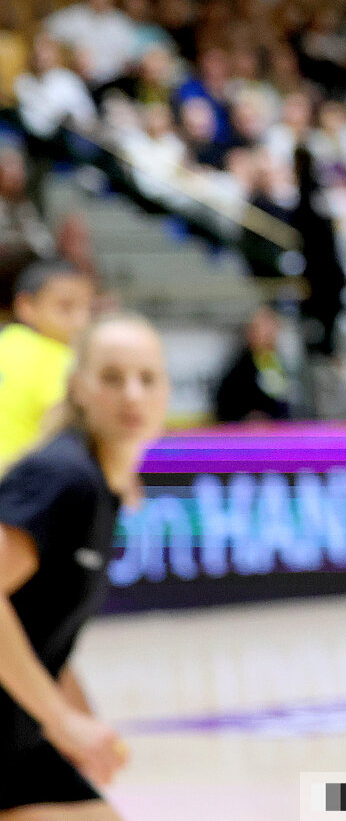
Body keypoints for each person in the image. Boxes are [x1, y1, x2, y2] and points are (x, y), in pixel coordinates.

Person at [0, 313, 171, 817]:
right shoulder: (62, 477)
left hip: (18, 739)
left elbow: (39, 628)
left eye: (148, 379)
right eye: (112, 378)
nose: (133, 395)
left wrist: (79, 720)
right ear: (79, 388)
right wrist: (60, 719)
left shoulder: (100, 486)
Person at [0, 262, 96, 471]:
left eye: (88, 308)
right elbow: (60, 434)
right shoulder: (63, 360)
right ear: (26, 305)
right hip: (18, 485)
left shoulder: (5, 340)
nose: (81, 320)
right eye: (66, 307)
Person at [212, 305, 292, 424]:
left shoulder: (277, 361)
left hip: (279, 431)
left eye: (271, 329)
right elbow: (226, 402)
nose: (268, 334)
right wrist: (248, 417)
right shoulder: (240, 367)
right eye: (262, 329)